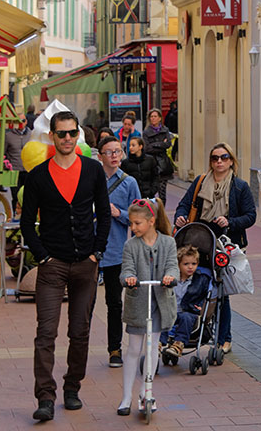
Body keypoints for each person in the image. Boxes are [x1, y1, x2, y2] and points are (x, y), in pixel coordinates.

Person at [21, 110, 111, 422]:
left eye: (73, 133)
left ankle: (72, 387)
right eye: (62, 134)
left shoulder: (92, 170)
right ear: (52, 136)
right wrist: (42, 256)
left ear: (78, 135)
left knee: (81, 330)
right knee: (46, 332)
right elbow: (26, 223)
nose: (68, 139)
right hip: (52, 264)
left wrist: (97, 251)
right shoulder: (38, 176)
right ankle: (45, 396)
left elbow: (104, 213)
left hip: (85, 263)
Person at [174, 143, 256, 354]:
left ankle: (224, 339)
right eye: (214, 158)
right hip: (199, 243)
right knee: (200, 285)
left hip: (225, 244)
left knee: (221, 293)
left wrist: (229, 222)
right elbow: (184, 204)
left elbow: (250, 216)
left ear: (231, 160)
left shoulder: (239, 186)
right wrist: (180, 217)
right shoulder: (201, 182)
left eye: (224, 157)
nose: (219, 161)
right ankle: (193, 331)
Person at [117, 197, 178, 416]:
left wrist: (171, 275)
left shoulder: (168, 242)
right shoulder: (130, 245)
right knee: (134, 349)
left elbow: (173, 264)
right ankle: (126, 397)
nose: (133, 228)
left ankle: (146, 390)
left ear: (151, 221)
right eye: (131, 223)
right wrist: (130, 277)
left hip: (159, 304)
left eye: (137, 223)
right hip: (138, 302)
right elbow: (126, 269)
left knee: (152, 348)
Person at [98, 136, 141, 368]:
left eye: (118, 151)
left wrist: (119, 214)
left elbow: (138, 219)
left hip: (115, 251)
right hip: (91, 250)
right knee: (85, 303)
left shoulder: (129, 182)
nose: (114, 155)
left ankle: (115, 349)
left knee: (114, 302)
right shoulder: (91, 180)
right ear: (100, 156)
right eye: (109, 152)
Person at [162, 245, 211, 358]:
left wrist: (200, 306)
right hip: (172, 312)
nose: (190, 267)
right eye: (186, 264)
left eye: (194, 264)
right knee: (162, 317)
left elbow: (205, 295)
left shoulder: (201, 279)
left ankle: (178, 345)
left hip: (189, 312)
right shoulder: (172, 279)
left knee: (186, 317)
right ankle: (159, 343)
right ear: (178, 265)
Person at [142, 108, 173, 200]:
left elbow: (168, 144)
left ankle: (161, 212)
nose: (153, 118)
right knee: (151, 190)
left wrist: (154, 145)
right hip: (151, 162)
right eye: (151, 116)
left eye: (155, 116)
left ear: (160, 118)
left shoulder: (165, 130)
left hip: (163, 163)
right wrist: (161, 144)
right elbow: (147, 148)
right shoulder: (146, 132)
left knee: (162, 192)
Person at [5, 116, 31, 213]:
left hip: (28, 170)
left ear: (26, 121)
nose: (21, 123)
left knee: (28, 195)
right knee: (15, 195)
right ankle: (16, 216)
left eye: (23, 120)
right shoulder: (8, 136)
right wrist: (7, 165)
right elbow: (4, 152)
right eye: (18, 121)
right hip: (14, 170)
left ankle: (28, 215)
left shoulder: (31, 134)